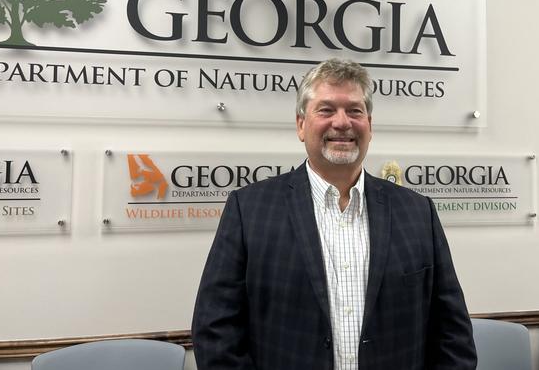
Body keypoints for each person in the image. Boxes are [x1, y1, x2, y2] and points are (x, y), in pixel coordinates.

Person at [192, 58, 476, 370]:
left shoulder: (417, 212)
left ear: (370, 124)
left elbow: (452, 334)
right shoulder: (249, 210)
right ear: (301, 125)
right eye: (326, 110)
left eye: (354, 110)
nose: (342, 123)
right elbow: (215, 331)